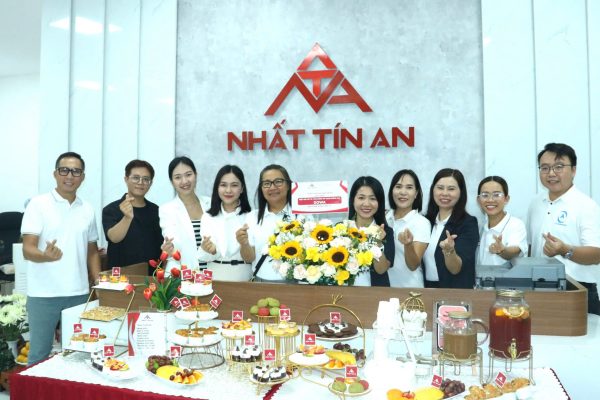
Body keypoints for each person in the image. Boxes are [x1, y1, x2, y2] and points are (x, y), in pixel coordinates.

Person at [21, 152, 101, 365]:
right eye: (64, 170)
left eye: (76, 171)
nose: (70, 176)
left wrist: (98, 281)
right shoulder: (38, 204)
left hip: (78, 294)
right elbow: (27, 249)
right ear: (55, 174)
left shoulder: (87, 209)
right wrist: (45, 255)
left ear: (82, 177)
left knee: (77, 354)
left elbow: (92, 250)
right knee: (39, 354)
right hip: (43, 294)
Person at [527, 143, 600, 315]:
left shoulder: (586, 206)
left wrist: (565, 250)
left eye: (559, 167)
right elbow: (531, 248)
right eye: (545, 168)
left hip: (577, 290)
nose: (551, 173)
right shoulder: (535, 204)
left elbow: (597, 254)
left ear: (573, 170)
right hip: (538, 289)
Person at [237, 164, 301, 282]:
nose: (272, 187)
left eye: (278, 182)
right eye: (266, 183)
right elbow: (249, 258)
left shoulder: (302, 216)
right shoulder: (252, 217)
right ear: (261, 188)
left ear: (288, 185)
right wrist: (244, 244)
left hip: (296, 284)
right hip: (261, 283)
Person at [102, 160, 163, 274]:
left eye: (146, 179)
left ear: (150, 183)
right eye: (136, 178)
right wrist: (127, 218)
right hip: (120, 277)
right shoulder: (111, 209)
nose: (141, 182)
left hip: (151, 277)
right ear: (126, 179)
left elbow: (161, 246)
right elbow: (113, 238)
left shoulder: (157, 211)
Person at [423, 168, 479, 288]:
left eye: (451, 189)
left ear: (461, 192)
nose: (445, 193)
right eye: (440, 188)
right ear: (433, 190)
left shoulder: (468, 223)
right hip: (426, 289)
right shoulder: (425, 222)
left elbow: (456, 269)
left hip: (454, 292)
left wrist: (449, 251)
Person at [198, 165, 252, 281]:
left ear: (242, 188)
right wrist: (209, 249)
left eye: (234, 185)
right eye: (223, 185)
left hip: (243, 277)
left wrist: (244, 243)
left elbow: (252, 256)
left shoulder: (251, 216)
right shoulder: (208, 217)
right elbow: (204, 256)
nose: (228, 190)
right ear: (217, 188)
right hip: (215, 276)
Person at [159, 157, 210, 271]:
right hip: (182, 272)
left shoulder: (211, 204)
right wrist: (170, 247)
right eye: (178, 177)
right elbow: (171, 238)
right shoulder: (167, 209)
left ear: (196, 175)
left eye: (188, 175)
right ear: (172, 182)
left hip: (211, 273)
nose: (184, 181)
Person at [385, 170, 430, 288]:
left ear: (416, 193)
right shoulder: (384, 218)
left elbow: (413, 265)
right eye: (398, 186)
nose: (403, 192)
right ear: (392, 191)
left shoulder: (421, 223)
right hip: (382, 288)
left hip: (411, 290)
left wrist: (408, 244)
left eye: (409, 187)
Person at [348, 176, 394, 286]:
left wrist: (378, 243)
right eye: (361, 198)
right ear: (353, 200)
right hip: (344, 293)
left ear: (379, 202)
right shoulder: (341, 229)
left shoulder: (386, 232)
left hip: (376, 293)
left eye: (372, 199)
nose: (366, 203)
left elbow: (381, 270)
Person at [476, 176, 527, 266]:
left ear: (506, 199)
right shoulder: (481, 227)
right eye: (485, 195)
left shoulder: (516, 224)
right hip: (482, 275)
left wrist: (502, 250)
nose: (490, 200)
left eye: (496, 195)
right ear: (479, 200)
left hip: (508, 275)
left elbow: (515, 251)